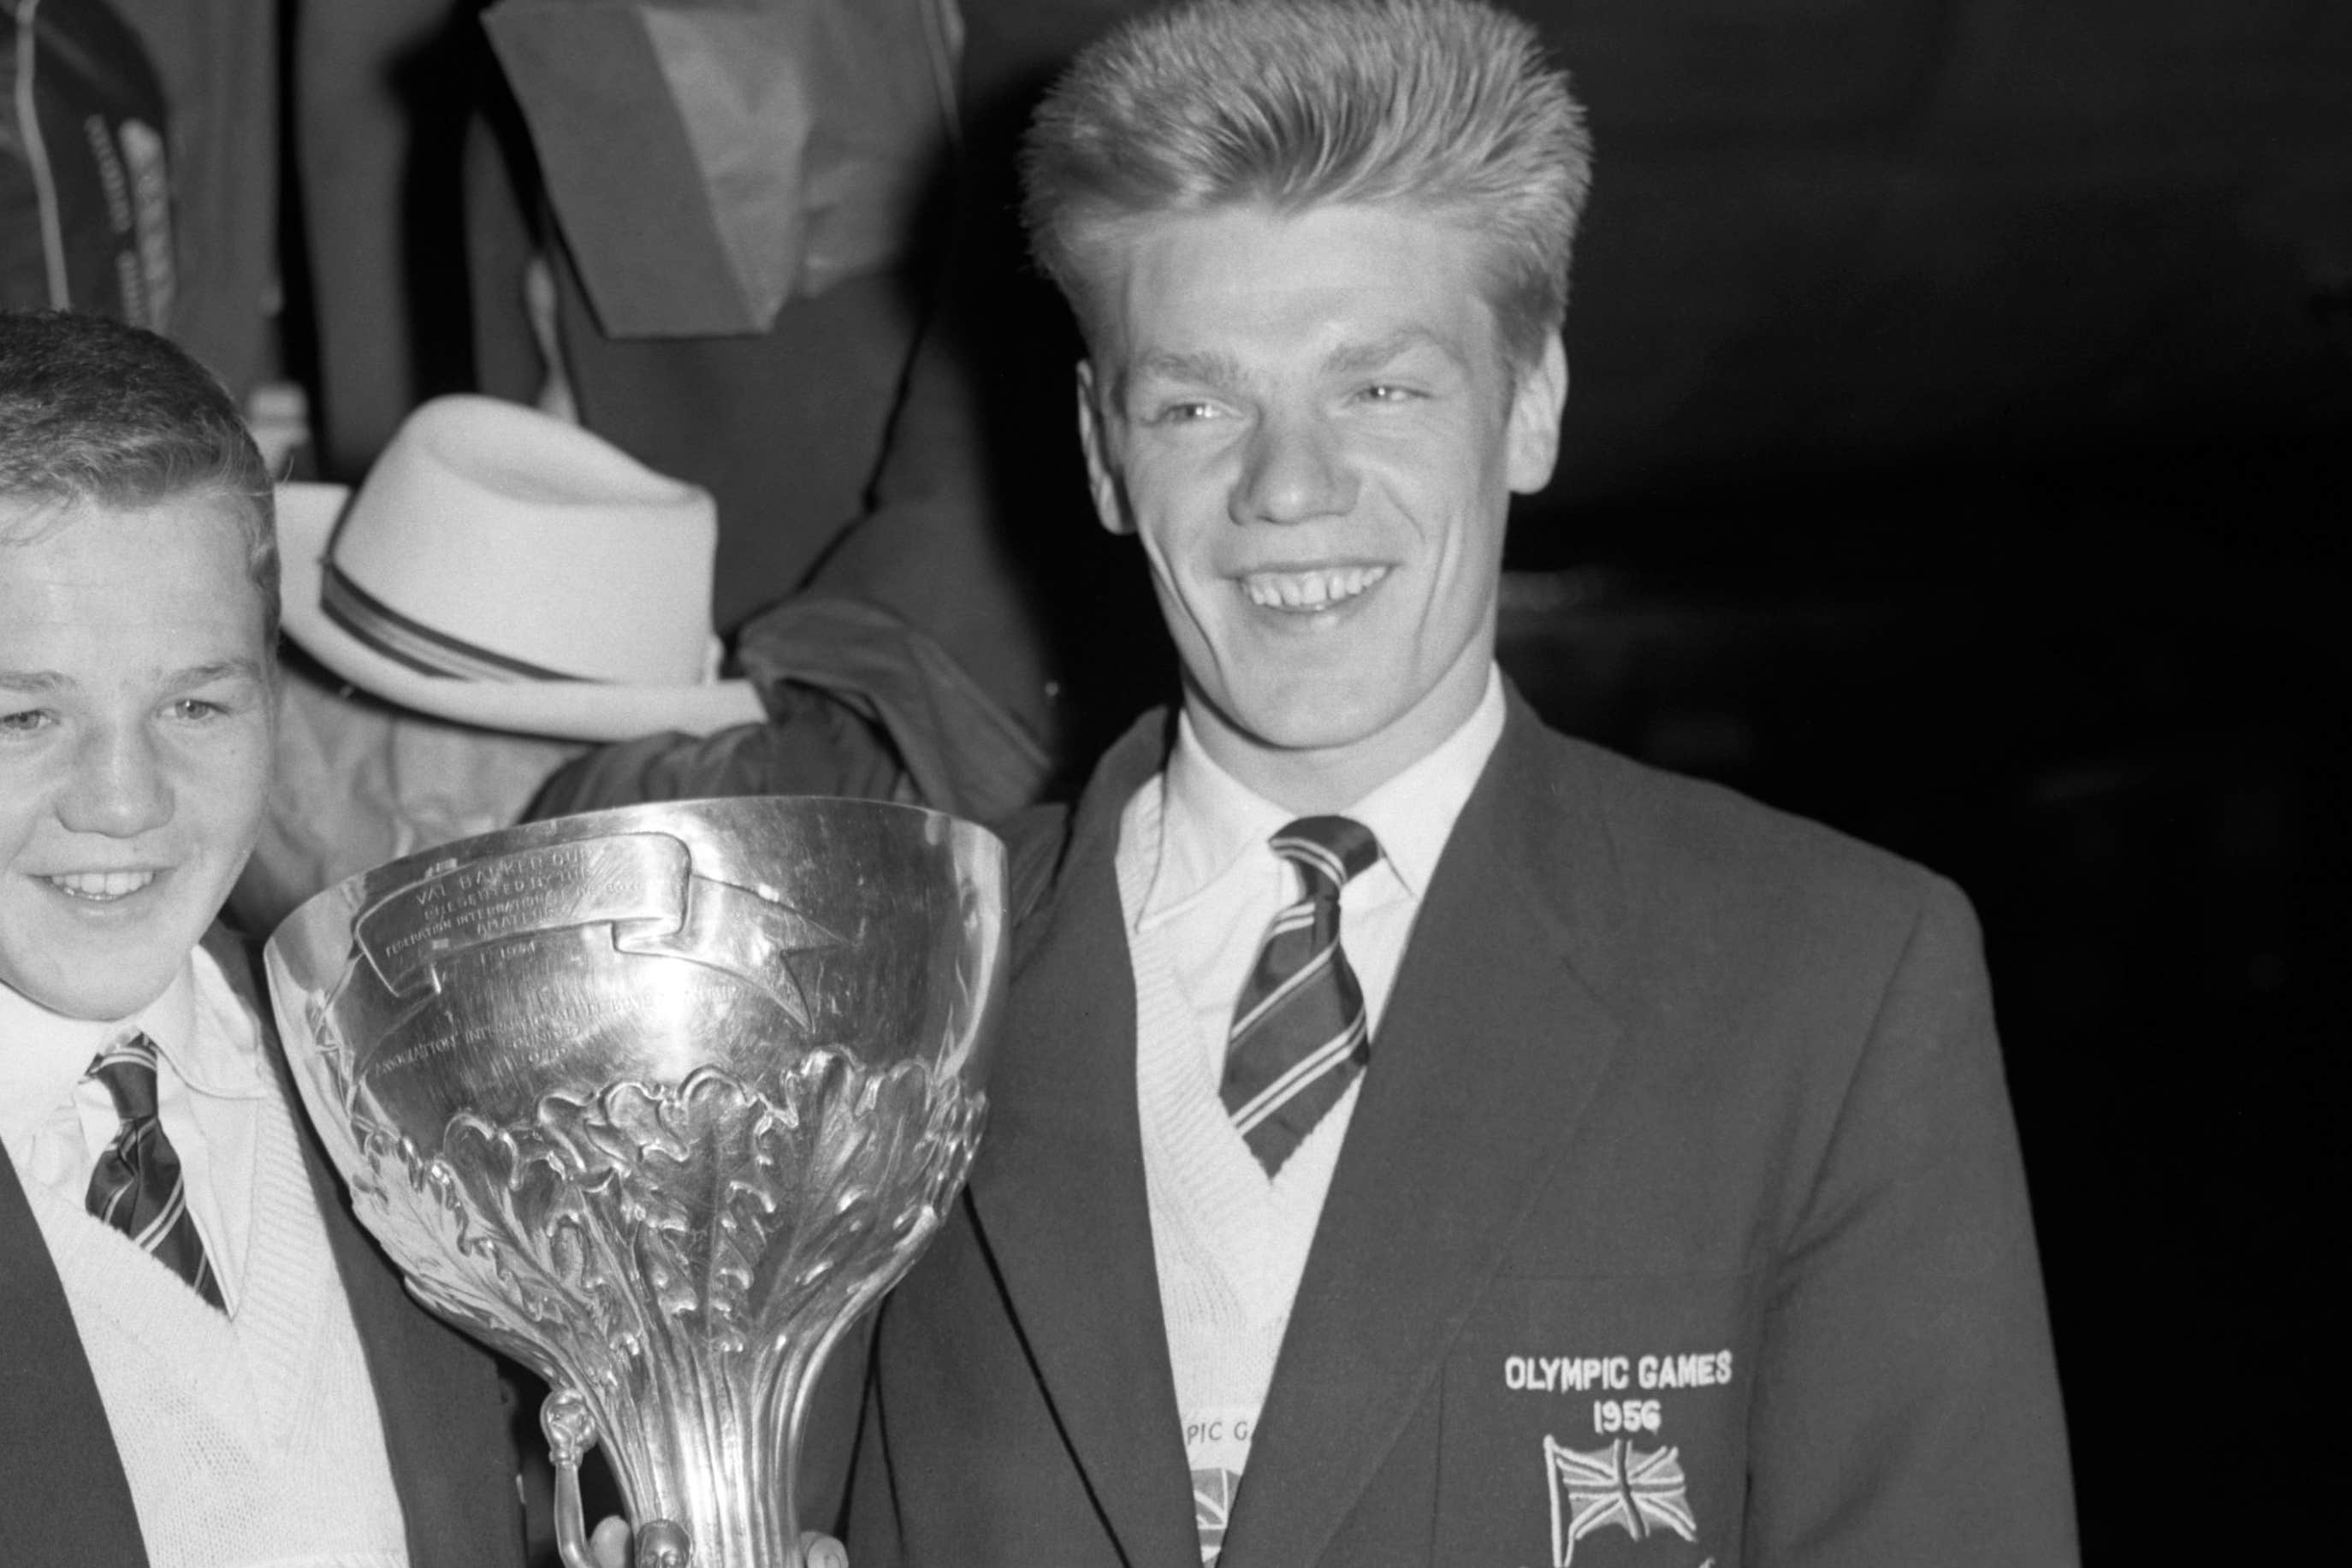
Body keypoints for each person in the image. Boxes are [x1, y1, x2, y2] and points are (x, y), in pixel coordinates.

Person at [837, 3, 2079, 1566]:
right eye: (1195, 404)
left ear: (1532, 402)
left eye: (1381, 389)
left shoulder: (1829, 978)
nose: (1287, 485)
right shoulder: (880, 984)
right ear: (1101, 453)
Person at [0, 309, 527, 1565]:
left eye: (194, 702)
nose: (121, 800)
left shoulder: (400, 1067)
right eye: (23, 717)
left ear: (276, 700)